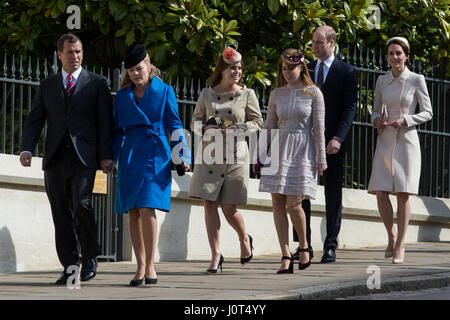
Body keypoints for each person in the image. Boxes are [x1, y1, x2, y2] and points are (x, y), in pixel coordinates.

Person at [19, 33, 114, 285]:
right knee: (60, 212)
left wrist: (106, 156)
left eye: (79, 52)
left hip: (84, 159)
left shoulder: (97, 83)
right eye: (70, 52)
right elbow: (35, 119)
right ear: (59, 54)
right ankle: (70, 266)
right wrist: (26, 148)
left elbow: (105, 123)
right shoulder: (47, 85)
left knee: (81, 205)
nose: (76, 56)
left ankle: (90, 256)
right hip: (55, 159)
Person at [113, 44, 191, 286]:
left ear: (148, 66)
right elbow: (116, 132)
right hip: (130, 156)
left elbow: (175, 125)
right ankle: (139, 266)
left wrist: (183, 155)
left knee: (148, 208)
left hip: (156, 154)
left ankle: (150, 266)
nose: (136, 74)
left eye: (139, 68)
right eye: (131, 70)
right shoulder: (122, 96)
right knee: (133, 211)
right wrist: (110, 157)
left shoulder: (165, 91)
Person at [188, 44, 263, 273]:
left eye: (239, 68)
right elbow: (195, 122)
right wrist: (207, 129)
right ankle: (216, 255)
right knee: (209, 204)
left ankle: (244, 239)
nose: (237, 71)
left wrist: (238, 129)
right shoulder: (207, 93)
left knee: (229, 208)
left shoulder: (247, 94)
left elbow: (257, 122)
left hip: (235, 156)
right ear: (222, 69)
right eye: (232, 68)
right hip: (210, 157)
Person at [257, 49, 327, 274]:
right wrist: (259, 154)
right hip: (279, 148)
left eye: (291, 68)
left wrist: (321, 158)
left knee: (294, 203)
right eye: (284, 68)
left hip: (302, 148)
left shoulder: (314, 93)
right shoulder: (276, 94)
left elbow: (319, 128)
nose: (287, 72)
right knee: (277, 203)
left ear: (301, 68)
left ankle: (304, 246)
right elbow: (268, 126)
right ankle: (285, 255)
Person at [292, 25, 357, 263]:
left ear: (331, 43)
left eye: (319, 42)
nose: (315, 46)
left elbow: (350, 108)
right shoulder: (305, 69)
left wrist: (338, 138)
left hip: (332, 143)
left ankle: (330, 246)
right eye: (313, 42)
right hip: (305, 142)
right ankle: (303, 245)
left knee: (332, 195)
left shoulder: (346, 71)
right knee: (301, 194)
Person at [368, 37, 432, 264]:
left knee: (404, 194)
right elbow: (375, 110)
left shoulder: (417, 79)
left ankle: (401, 245)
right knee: (381, 192)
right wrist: (376, 120)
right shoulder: (381, 80)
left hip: (407, 141)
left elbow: (428, 112)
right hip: (385, 139)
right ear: (387, 56)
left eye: (398, 53)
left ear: (406, 55)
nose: (394, 57)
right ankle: (391, 235)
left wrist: (406, 119)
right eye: (391, 53)